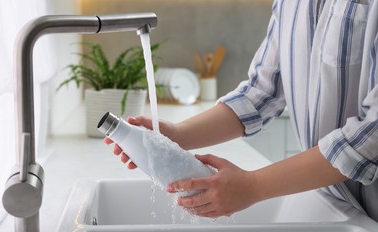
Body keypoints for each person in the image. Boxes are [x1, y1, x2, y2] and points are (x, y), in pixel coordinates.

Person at [104, 0, 378, 220]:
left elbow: (369, 138)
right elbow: (262, 91)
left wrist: (253, 186)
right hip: (338, 206)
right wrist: (176, 136)